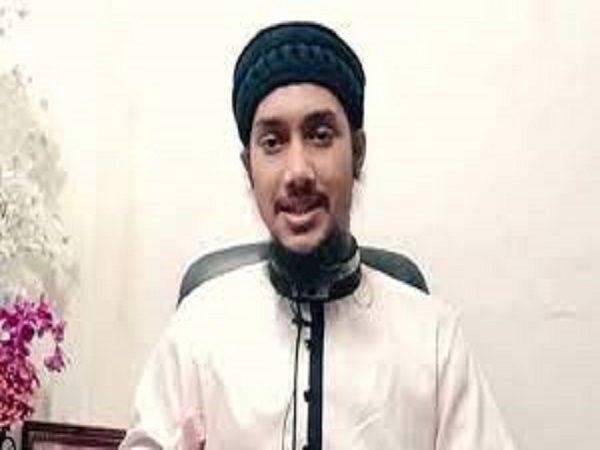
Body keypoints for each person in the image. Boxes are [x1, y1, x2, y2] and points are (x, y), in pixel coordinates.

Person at [120, 21, 517, 449]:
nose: (297, 172)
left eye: (320, 136)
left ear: (357, 153)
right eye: (273, 142)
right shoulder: (198, 327)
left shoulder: (435, 339)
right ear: (249, 168)